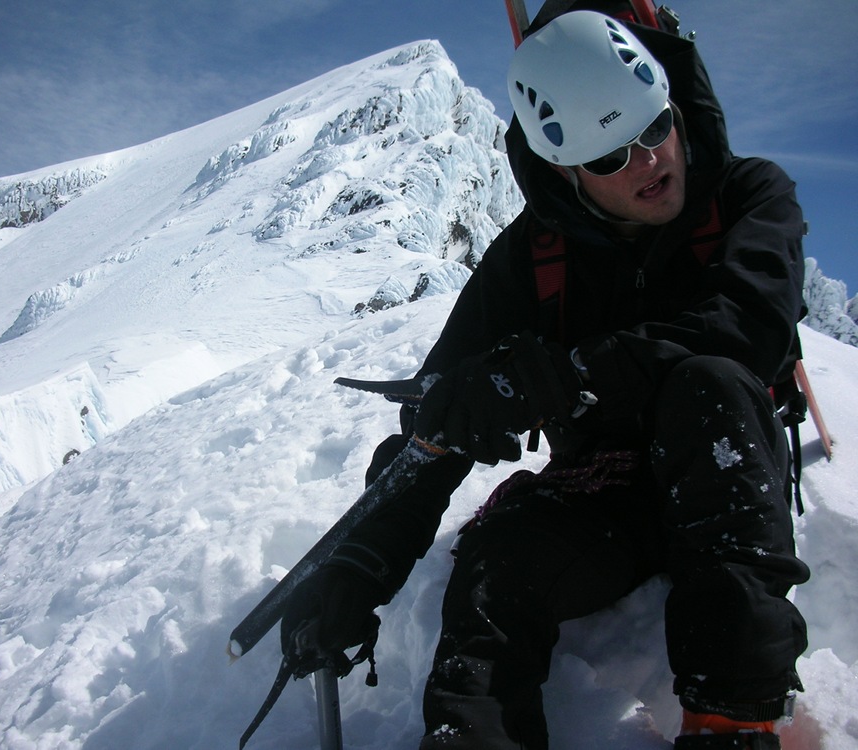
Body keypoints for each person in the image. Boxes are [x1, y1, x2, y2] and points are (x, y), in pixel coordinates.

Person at [280, 7, 809, 749]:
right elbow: (441, 419)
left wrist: (568, 376)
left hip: (726, 476)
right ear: (566, 171)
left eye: (656, 129)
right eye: (611, 156)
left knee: (711, 384)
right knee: (499, 563)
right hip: (606, 494)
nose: (650, 162)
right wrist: (361, 566)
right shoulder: (530, 259)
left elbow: (749, 327)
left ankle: (732, 724)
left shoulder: (751, 195)